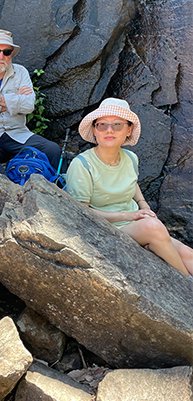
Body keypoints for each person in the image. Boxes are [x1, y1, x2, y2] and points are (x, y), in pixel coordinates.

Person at [66, 98, 193, 278]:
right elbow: (80, 211)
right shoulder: (83, 164)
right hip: (104, 228)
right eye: (102, 125)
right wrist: (129, 216)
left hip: (135, 224)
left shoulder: (130, 158)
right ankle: (185, 283)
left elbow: (131, 183)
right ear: (95, 130)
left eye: (117, 125)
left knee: (188, 254)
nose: (109, 130)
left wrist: (144, 205)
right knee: (153, 227)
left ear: (129, 129)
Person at [0, 29, 61, 180]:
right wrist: (14, 99)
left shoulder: (20, 72)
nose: (1, 56)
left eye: (6, 52)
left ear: (11, 55)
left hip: (18, 135)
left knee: (52, 150)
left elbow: (28, 106)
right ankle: (6, 186)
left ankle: (46, 189)